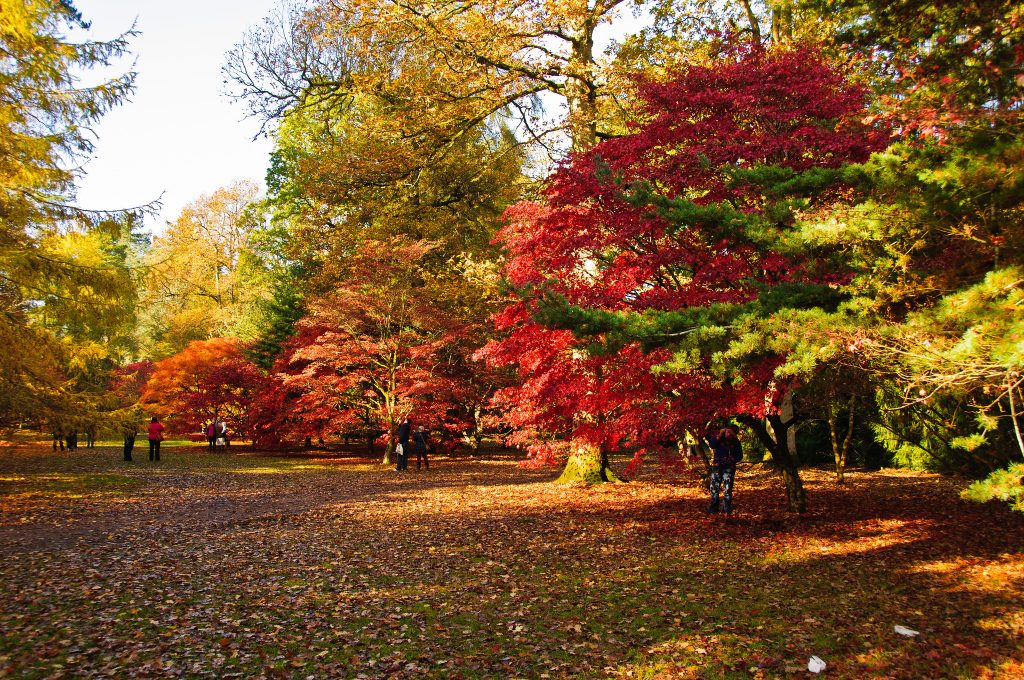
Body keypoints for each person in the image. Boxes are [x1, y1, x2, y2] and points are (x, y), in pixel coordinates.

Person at [704, 426, 743, 515]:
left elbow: (740, 455)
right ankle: (713, 508)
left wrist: (731, 460)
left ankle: (726, 509)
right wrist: (720, 434)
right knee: (714, 488)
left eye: (730, 432)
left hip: (729, 467)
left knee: (727, 488)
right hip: (717, 466)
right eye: (727, 432)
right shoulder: (719, 439)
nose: (728, 434)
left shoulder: (735, 442)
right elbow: (712, 445)